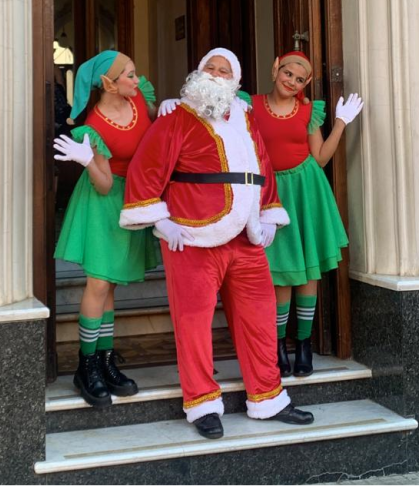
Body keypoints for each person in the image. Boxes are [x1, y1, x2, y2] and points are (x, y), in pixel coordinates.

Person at [120, 48, 315, 440]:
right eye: (209, 67)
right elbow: (147, 166)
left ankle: (268, 397)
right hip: (192, 237)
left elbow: (262, 165)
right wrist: (160, 220)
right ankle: (202, 404)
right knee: (193, 324)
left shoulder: (245, 118)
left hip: (246, 237)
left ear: (236, 81)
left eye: (224, 70)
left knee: (260, 319)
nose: (214, 73)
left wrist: (269, 212)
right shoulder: (176, 116)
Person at [53, 50, 159, 408]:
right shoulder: (95, 126)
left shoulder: (139, 97)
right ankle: (86, 366)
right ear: (108, 84)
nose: (136, 79)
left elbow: (157, 125)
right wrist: (86, 160)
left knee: (110, 283)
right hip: (103, 201)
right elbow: (102, 184)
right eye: (129, 75)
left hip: (133, 196)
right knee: (98, 283)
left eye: (134, 72)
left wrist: (171, 110)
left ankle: (105, 359)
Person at [249, 51, 363, 377]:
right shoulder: (251, 106)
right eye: (288, 73)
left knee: (308, 271)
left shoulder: (309, 111)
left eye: (300, 80)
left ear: (306, 83)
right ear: (275, 68)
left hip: (306, 190)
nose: (292, 82)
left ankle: (303, 345)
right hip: (271, 192)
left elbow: (321, 157)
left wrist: (340, 123)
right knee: (281, 271)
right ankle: (277, 346)